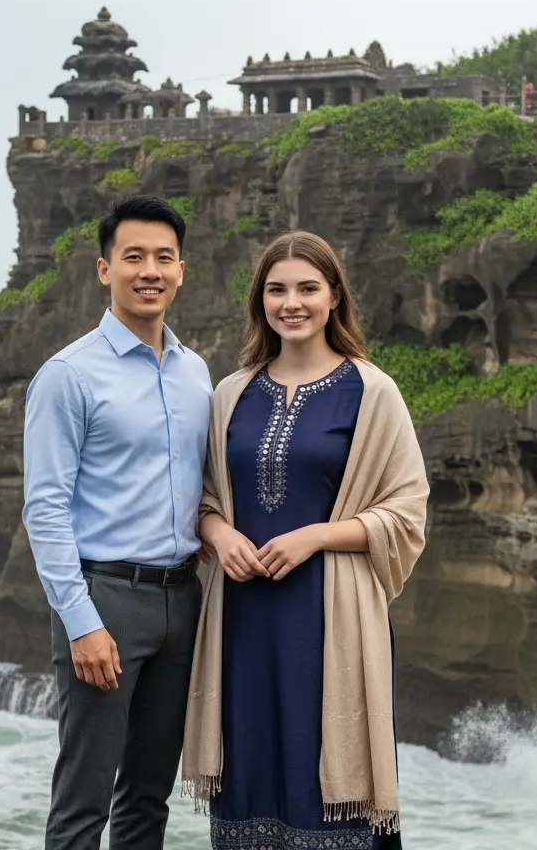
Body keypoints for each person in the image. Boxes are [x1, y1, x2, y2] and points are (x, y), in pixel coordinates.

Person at [182, 231, 429, 849]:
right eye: (277, 289)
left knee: (327, 781)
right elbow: (203, 499)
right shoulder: (230, 394)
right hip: (242, 621)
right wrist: (220, 533)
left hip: (330, 618)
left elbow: (406, 511)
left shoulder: (373, 392)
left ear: (334, 296)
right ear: (259, 301)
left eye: (307, 288)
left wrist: (315, 536)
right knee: (250, 770)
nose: (291, 302)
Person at [22, 194, 213, 850]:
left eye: (164, 257)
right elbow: (44, 508)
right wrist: (81, 624)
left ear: (182, 270)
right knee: (84, 801)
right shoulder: (68, 375)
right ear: (105, 269)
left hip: (183, 601)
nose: (149, 270)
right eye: (133, 256)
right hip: (105, 602)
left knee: (147, 797)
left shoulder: (197, 373)